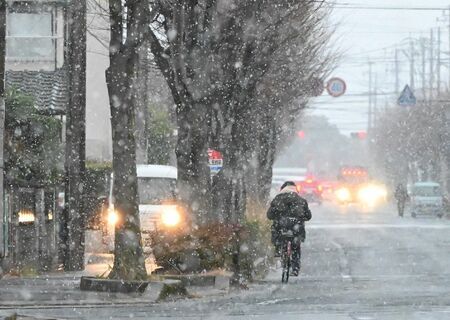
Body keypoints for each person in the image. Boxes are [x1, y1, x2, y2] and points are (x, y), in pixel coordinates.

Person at [267, 181, 312, 277]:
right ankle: (295, 268)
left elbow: (269, 215)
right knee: (296, 247)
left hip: (281, 226)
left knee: (278, 233)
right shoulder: (301, 200)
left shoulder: (277, 199)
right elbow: (308, 216)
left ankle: (278, 249)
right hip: (296, 228)